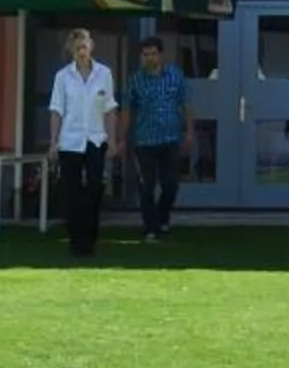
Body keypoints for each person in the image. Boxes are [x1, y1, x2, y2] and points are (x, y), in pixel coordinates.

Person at [45, 27, 120, 258]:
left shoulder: (104, 74)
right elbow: (56, 110)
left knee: (95, 189)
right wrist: (53, 142)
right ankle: (76, 241)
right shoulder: (63, 77)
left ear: (91, 47)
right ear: (72, 51)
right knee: (71, 193)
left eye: (84, 47)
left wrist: (113, 140)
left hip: (95, 140)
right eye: (77, 48)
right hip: (70, 141)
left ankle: (91, 239)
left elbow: (109, 109)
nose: (81, 52)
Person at [124, 34, 191, 241]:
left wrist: (189, 131)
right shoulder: (135, 80)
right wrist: (121, 138)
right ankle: (150, 227)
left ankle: (162, 217)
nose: (150, 58)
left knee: (171, 184)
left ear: (161, 55)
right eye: (145, 55)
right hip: (144, 140)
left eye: (153, 54)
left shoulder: (175, 75)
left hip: (170, 138)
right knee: (146, 185)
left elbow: (185, 104)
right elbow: (127, 110)